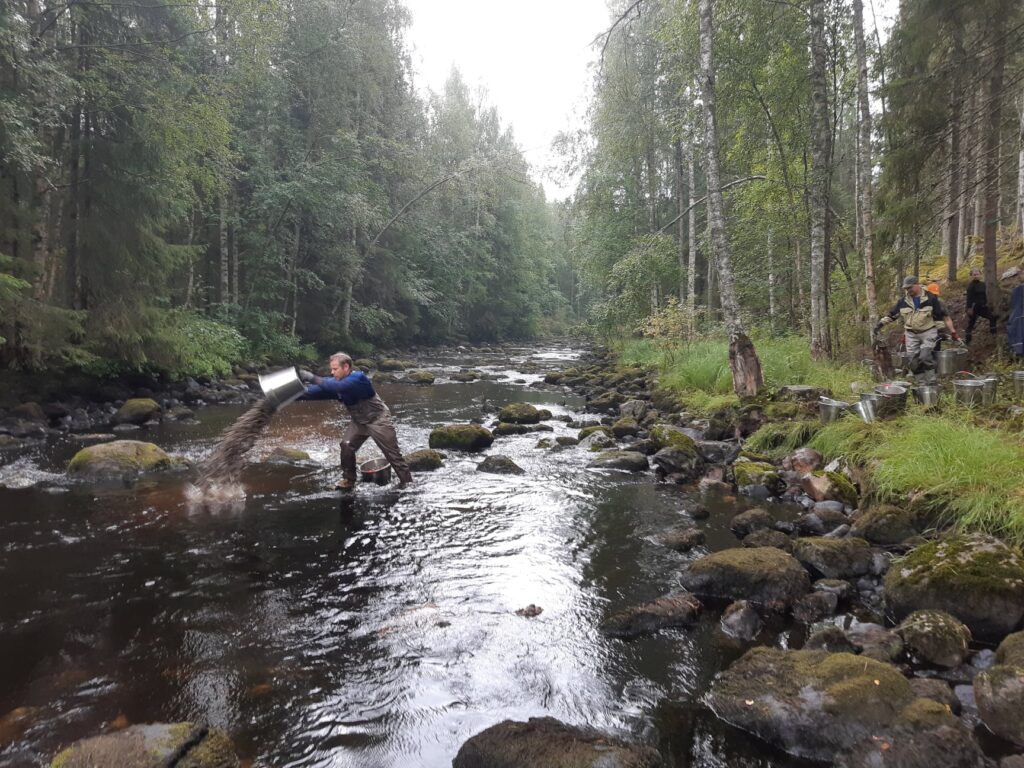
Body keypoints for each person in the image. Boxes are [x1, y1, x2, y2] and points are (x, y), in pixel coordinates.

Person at [299, 353, 413, 490]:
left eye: (335, 369)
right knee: (346, 445)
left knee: (393, 454)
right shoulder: (335, 384)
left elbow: (336, 387)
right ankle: (349, 480)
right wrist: (281, 395)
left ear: (346, 367)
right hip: (359, 422)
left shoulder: (359, 378)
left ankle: (408, 484)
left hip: (378, 420)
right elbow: (310, 392)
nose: (331, 372)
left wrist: (311, 377)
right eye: (331, 369)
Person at [875, 276, 960, 380]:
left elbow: (938, 317)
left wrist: (940, 332)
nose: (908, 290)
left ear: (917, 285)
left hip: (928, 331)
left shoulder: (931, 298)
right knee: (912, 361)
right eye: (906, 288)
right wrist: (880, 324)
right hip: (911, 334)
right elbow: (892, 315)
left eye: (910, 287)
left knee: (925, 356)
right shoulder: (903, 301)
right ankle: (920, 381)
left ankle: (931, 380)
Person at [965, 268, 997, 345]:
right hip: (974, 307)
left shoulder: (983, 284)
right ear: (971, 276)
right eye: (974, 275)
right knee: (971, 323)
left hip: (983, 306)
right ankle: (967, 341)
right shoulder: (970, 286)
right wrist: (969, 308)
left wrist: (988, 303)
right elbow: (969, 298)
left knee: (992, 317)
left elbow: (985, 295)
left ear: (980, 275)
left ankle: (993, 335)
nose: (976, 276)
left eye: (977, 274)